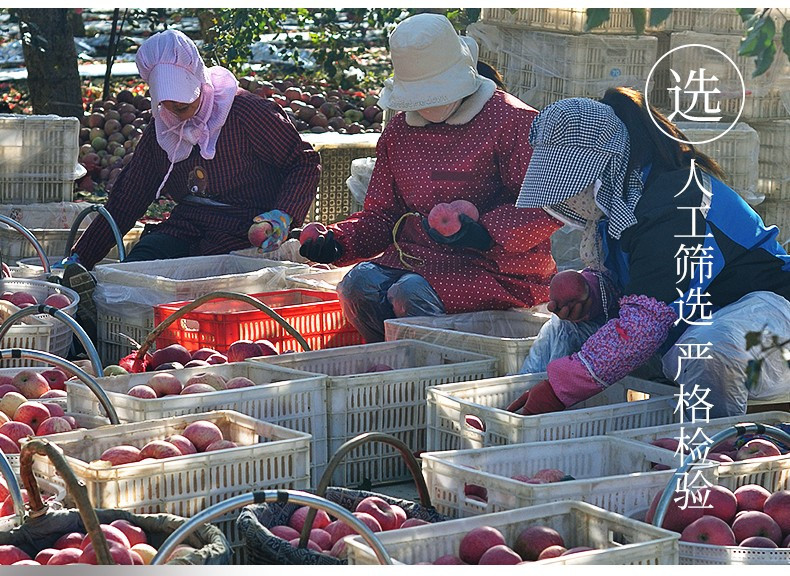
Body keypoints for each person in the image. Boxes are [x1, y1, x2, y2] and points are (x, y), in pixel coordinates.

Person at [512, 87, 790, 418]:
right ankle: (514, 420)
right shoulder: (621, 199)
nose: (569, 196)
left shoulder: (675, 204)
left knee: (708, 349)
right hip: (691, 320)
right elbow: (647, 284)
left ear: (605, 165)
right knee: (563, 329)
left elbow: (645, 322)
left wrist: (560, 390)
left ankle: (712, 452)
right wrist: (595, 292)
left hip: (769, 320)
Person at [298, 13, 561, 342]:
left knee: (409, 293)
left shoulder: (513, 122)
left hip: (500, 267)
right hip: (419, 258)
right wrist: (338, 242)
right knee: (358, 284)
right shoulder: (399, 134)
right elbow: (383, 214)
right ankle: (391, 367)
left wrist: (484, 234)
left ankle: (439, 372)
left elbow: (547, 204)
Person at [61, 29, 320, 338]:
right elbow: (131, 193)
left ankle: (170, 338)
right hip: (189, 221)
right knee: (136, 270)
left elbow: (303, 161)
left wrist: (282, 214)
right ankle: (106, 329)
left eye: (181, 105)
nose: (173, 112)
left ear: (199, 80)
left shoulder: (245, 113)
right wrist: (82, 257)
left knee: (196, 286)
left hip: (244, 226)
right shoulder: (164, 128)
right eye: (166, 105)